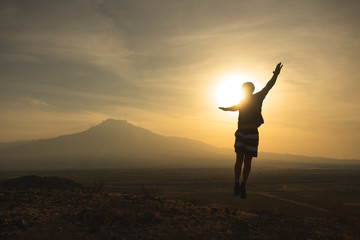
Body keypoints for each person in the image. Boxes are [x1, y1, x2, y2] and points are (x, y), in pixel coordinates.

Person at [219, 62, 283, 198]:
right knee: (242, 159)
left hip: (249, 132)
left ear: (249, 89)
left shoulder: (257, 97)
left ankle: (241, 185)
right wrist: (226, 108)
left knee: (244, 160)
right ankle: (238, 184)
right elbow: (235, 107)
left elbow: (269, 86)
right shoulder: (245, 100)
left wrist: (275, 75)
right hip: (244, 132)